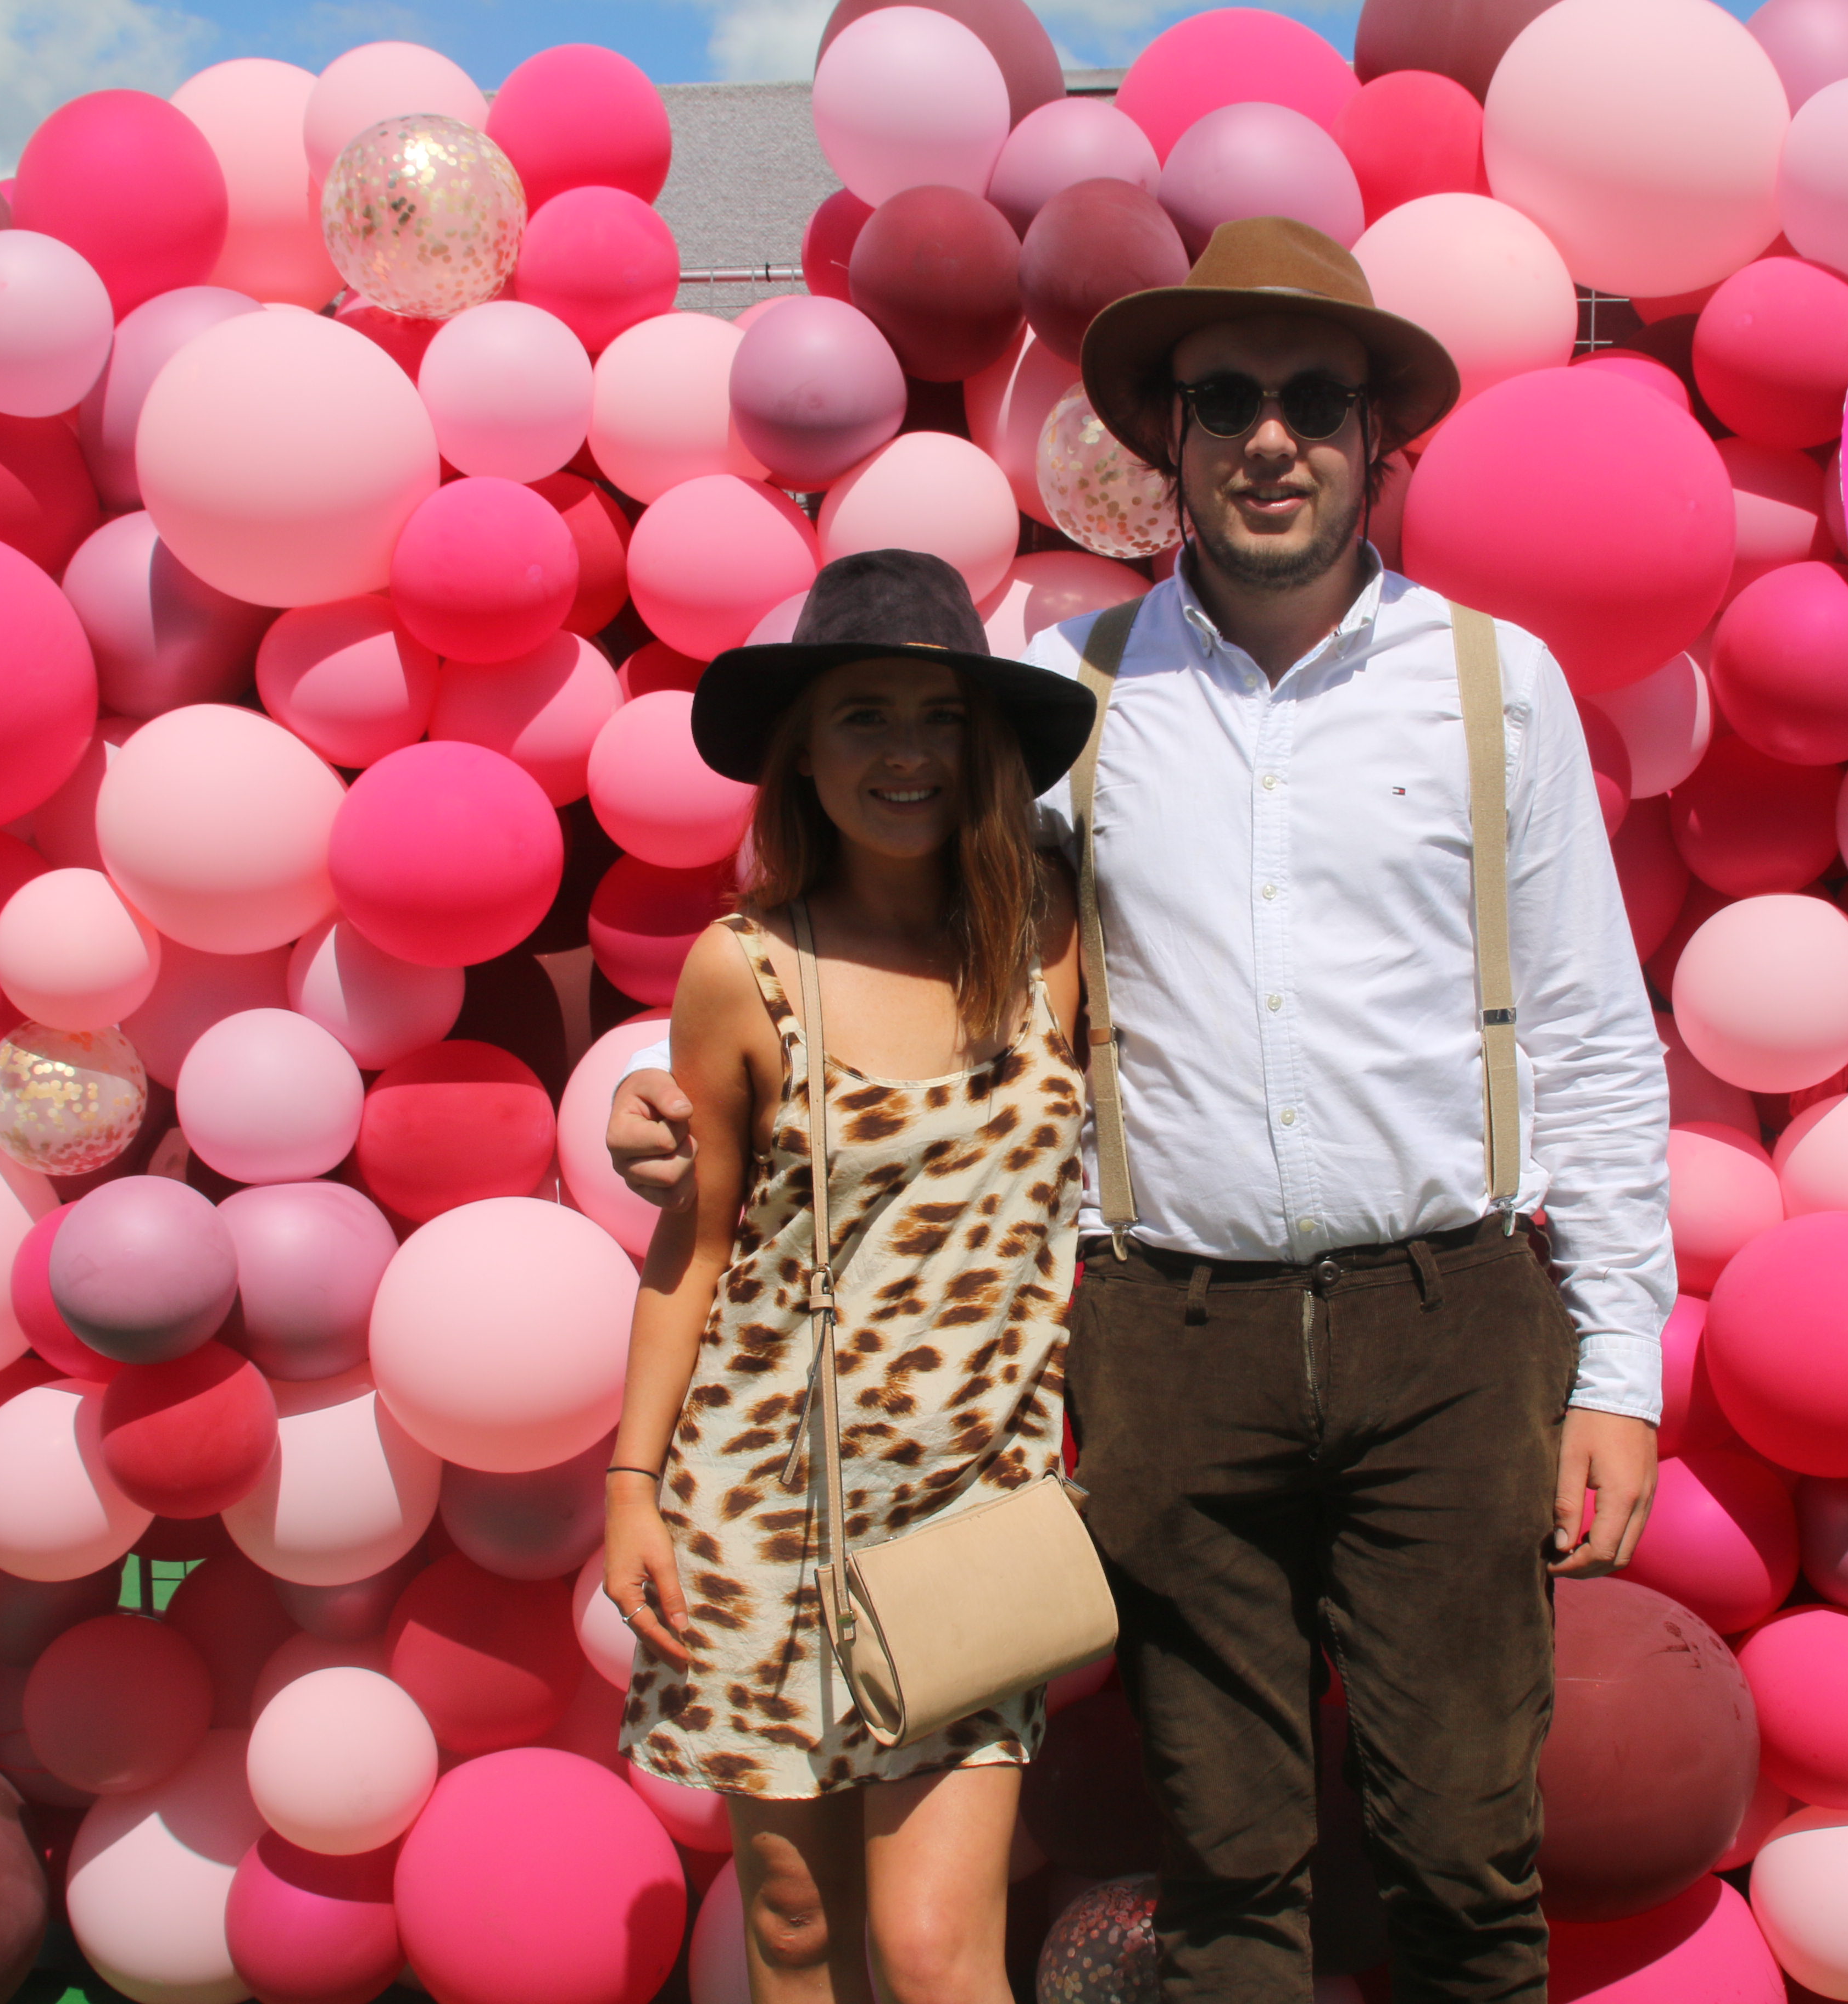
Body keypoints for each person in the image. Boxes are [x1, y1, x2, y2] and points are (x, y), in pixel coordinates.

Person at [612, 219, 1675, 2004]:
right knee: (1227, 1868)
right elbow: (896, 944)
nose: (1271, 438)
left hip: (1455, 1327)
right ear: (1168, 440)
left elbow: (1590, 1036)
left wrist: (1621, 1370)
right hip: (1170, 1342)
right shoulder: (1073, 698)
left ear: (1375, 438)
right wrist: (678, 1106)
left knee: (1462, 1857)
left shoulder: (1498, 688)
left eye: (1314, 399)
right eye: (1226, 400)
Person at [600, 547, 1094, 2004]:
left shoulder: (1053, 933)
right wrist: (632, 1486)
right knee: (797, 1926)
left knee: (936, 1949)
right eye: (863, 716)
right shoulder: (743, 966)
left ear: (987, 746)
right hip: (766, 1501)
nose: (906, 753)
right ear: (803, 756)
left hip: (974, 1509)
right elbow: (695, 1239)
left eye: (941, 718)